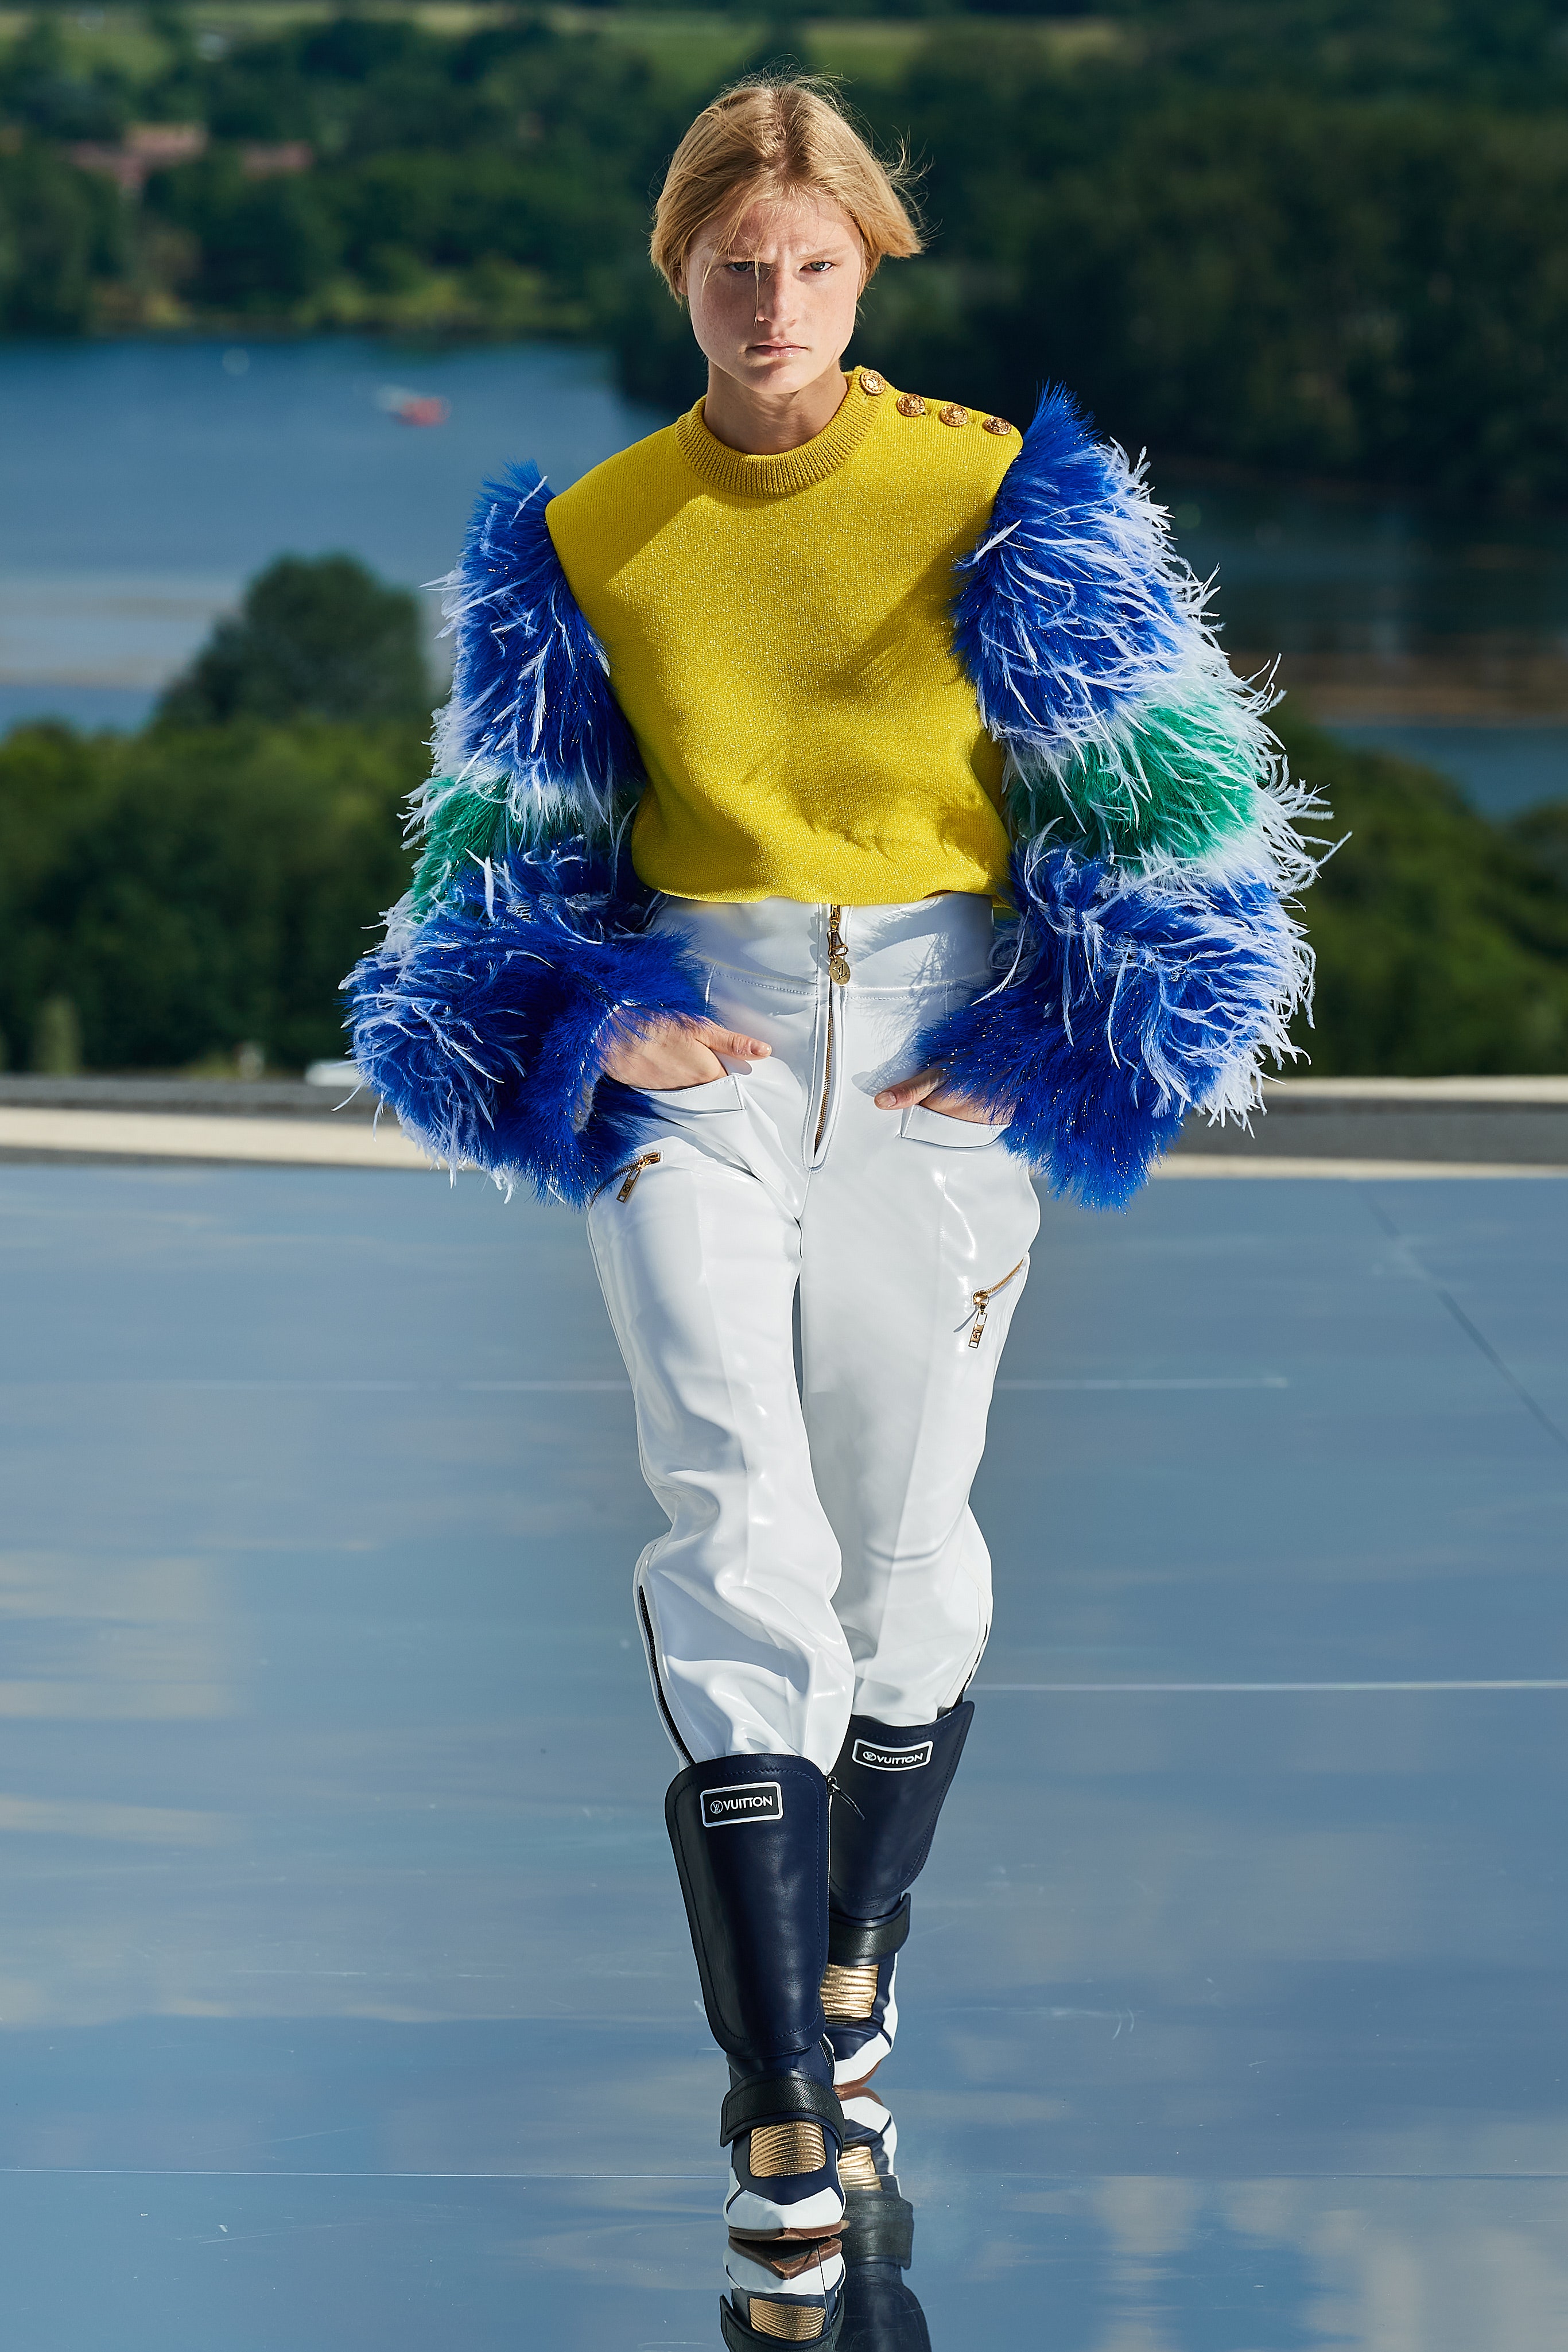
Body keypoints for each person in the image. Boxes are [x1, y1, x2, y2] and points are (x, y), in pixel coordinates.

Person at [347, 75, 1318, 2349]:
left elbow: (1174, 812)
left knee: (898, 1546)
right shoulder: (588, 529)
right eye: (725, 260)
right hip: (691, 1031)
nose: (764, 298)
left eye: (804, 260)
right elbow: (485, 863)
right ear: (671, 269)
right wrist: (577, 1013)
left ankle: (858, 1946)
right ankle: (781, 2084)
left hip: (941, 1039)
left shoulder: (996, 492)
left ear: (865, 263)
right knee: (729, 1508)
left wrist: (1070, 1027)